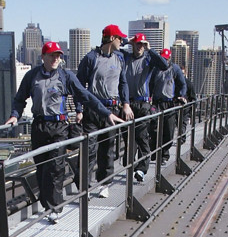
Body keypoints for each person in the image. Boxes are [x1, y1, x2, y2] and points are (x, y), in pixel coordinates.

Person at [6, 41, 121, 220]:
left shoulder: (65, 76)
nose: (55, 59)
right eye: (52, 55)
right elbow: (20, 98)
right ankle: (47, 204)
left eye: (58, 56)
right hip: (39, 126)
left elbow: (85, 95)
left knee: (55, 168)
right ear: (43, 56)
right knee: (42, 168)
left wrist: (106, 113)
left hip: (59, 127)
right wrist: (15, 115)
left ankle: (54, 208)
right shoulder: (32, 76)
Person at [76, 24, 134, 198]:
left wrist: (126, 104)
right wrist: (79, 109)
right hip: (93, 109)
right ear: (111, 39)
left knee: (107, 148)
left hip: (112, 109)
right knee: (89, 149)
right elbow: (79, 85)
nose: (122, 41)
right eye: (119, 38)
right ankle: (84, 187)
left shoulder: (119, 59)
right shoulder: (91, 58)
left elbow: (123, 83)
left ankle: (104, 183)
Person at [122, 33, 168, 182]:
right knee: (128, 138)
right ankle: (130, 165)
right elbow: (112, 50)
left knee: (141, 137)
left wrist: (150, 49)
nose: (140, 47)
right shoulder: (126, 57)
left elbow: (164, 65)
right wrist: (127, 41)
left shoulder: (148, 59)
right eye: (137, 44)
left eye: (142, 44)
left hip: (143, 104)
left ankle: (142, 169)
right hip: (128, 104)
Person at [151, 49, 187, 162]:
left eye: (166, 59)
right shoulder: (155, 69)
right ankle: (156, 153)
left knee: (169, 131)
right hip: (157, 103)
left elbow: (183, 84)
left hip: (170, 103)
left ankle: (164, 153)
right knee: (155, 129)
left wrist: (181, 95)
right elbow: (149, 84)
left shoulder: (175, 69)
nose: (164, 61)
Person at [179, 65, 196, 145]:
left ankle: (182, 139)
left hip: (185, 107)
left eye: (182, 74)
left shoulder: (189, 84)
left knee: (182, 124)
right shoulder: (175, 82)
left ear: (185, 74)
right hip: (175, 106)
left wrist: (192, 112)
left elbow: (193, 98)